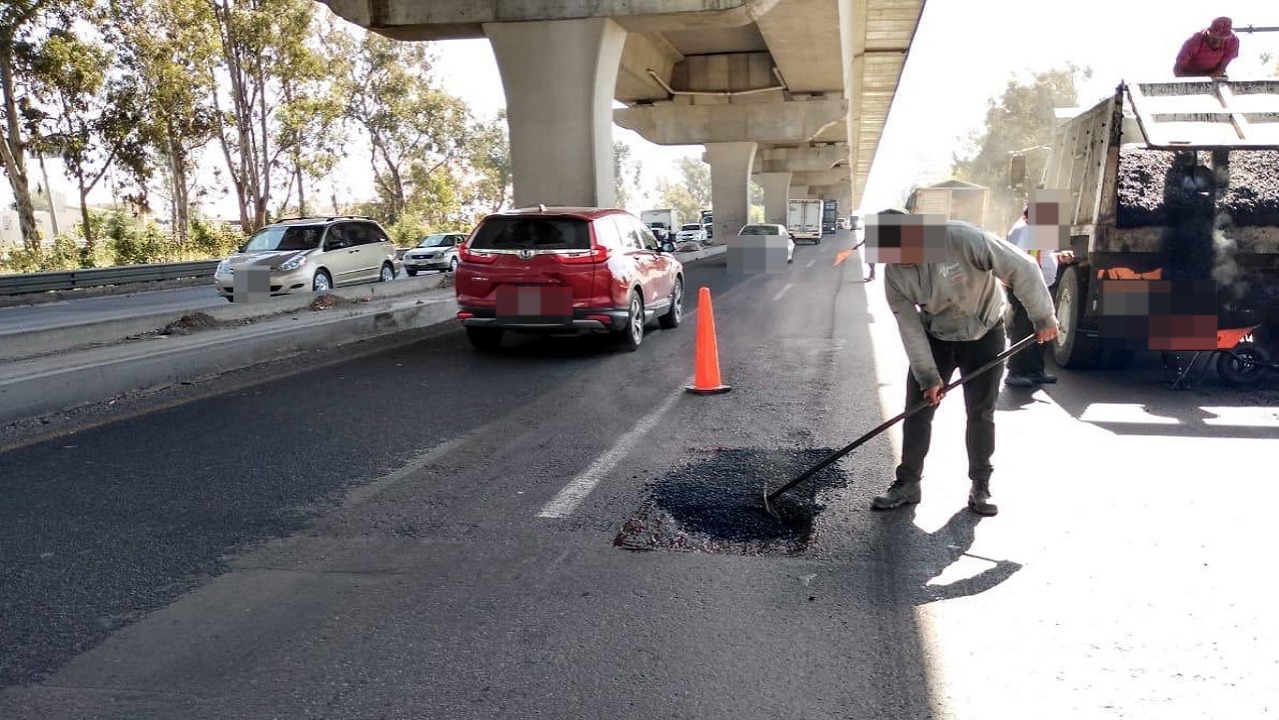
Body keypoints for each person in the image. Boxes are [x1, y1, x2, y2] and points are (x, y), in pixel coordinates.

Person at [871, 210, 1060, 516]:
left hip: (984, 332)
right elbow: (909, 328)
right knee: (918, 411)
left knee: (980, 413)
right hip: (936, 336)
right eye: (890, 254)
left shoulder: (962, 238)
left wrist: (1042, 316)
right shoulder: (894, 273)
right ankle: (907, 483)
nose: (899, 261)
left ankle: (980, 486)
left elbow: (1022, 267)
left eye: (904, 252)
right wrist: (928, 376)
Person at [1003, 206, 1076, 387]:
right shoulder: (1021, 231)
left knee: (1042, 326)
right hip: (1025, 286)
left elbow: (1042, 254)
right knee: (1024, 327)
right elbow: (1017, 260)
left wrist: (1059, 257)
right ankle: (1015, 371)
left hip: (1039, 285)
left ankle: (1036, 370)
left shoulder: (1036, 229)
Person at [1174, 17, 1239, 78]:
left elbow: (1222, 68)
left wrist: (1217, 73)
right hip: (1189, 75)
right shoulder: (1193, 42)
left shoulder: (1233, 41)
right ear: (1208, 34)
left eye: (1222, 38)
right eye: (1214, 37)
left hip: (1214, 74)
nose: (1217, 42)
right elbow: (1177, 70)